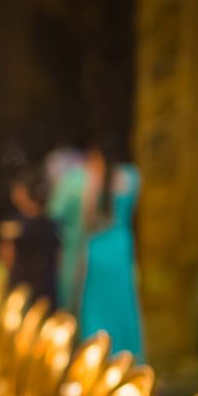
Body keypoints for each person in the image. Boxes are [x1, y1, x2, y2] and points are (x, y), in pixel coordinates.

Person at [48, 138, 144, 358]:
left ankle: (93, 358)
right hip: (120, 249)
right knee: (123, 305)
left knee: (92, 307)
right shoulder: (131, 177)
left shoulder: (80, 180)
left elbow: (57, 213)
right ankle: (126, 357)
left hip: (93, 249)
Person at [0, 165, 59, 305]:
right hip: (46, 286)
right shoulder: (52, 223)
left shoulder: (13, 224)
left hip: (20, 286)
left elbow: (6, 257)